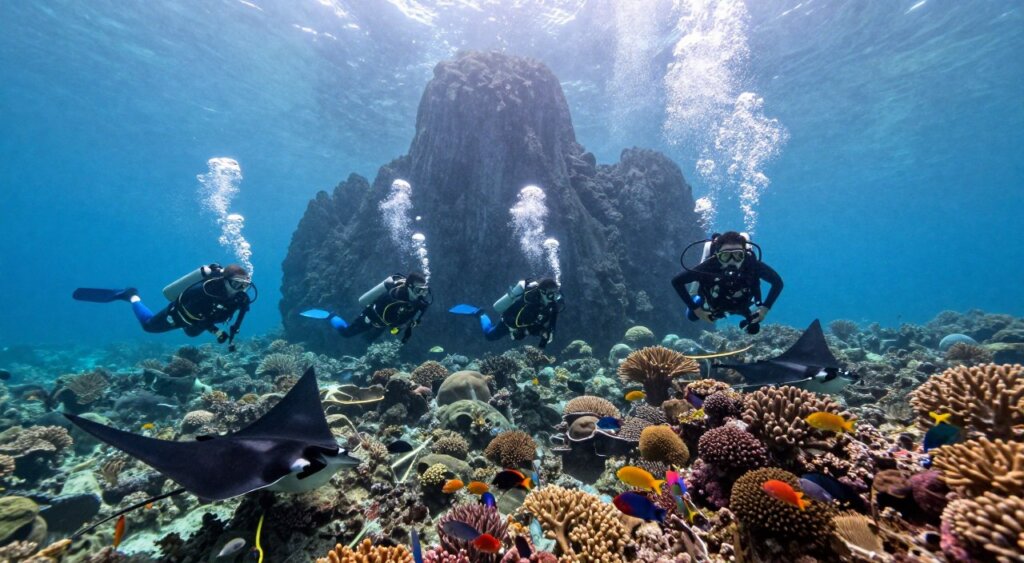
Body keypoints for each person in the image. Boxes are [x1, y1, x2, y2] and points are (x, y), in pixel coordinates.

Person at [72, 264, 254, 350]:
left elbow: (237, 321)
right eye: (237, 284)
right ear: (225, 281)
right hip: (180, 315)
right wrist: (215, 331)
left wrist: (231, 339)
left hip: (198, 323)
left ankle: (131, 296)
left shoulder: (240, 298)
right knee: (148, 326)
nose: (240, 289)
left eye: (244, 285)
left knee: (190, 333)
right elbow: (197, 313)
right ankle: (131, 296)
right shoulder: (204, 290)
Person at [672, 231, 782, 335]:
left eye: (738, 255)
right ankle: (697, 300)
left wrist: (764, 310)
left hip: (743, 303)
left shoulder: (752, 265)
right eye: (725, 256)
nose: (732, 261)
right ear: (717, 256)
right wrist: (696, 310)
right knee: (691, 316)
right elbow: (677, 281)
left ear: (744, 254)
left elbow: (778, 283)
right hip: (714, 302)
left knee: (753, 329)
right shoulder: (709, 266)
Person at [305, 272, 431, 344]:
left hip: (382, 324)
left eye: (424, 291)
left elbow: (410, 319)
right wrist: (400, 326)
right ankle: (331, 316)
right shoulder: (393, 297)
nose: (422, 295)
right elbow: (388, 318)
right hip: (370, 318)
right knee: (346, 333)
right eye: (419, 290)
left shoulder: (418, 301)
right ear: (409, 287)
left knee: (366, 342)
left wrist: (410, 324)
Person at [450, 278, 563, 349]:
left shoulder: (552, 304)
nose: (554, 298)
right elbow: (514, 317)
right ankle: (479, 313)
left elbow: (551, 324)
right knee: (489, 335)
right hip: (509, 323)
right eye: (550, 295)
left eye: (556, 294)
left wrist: (545, 333)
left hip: (525, 325)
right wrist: (518, 331)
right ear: (542, 292)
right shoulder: (529, 299)